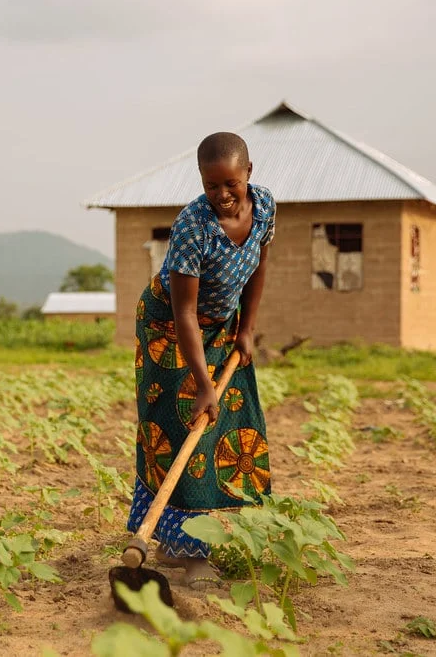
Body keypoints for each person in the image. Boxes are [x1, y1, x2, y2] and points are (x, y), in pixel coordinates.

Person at [125, 131, 275, 590]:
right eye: (212, 186)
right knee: (180, 430)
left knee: (223, 427)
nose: (223, 195)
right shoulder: (193, 227)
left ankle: (178, 542)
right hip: (169, 331)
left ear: (248, 173)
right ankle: (188, 556)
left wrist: (246, 327)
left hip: (219, 327)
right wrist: (201, 383)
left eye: (231, 183)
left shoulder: (265, 205)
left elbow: (259, 264)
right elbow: (183, 311)